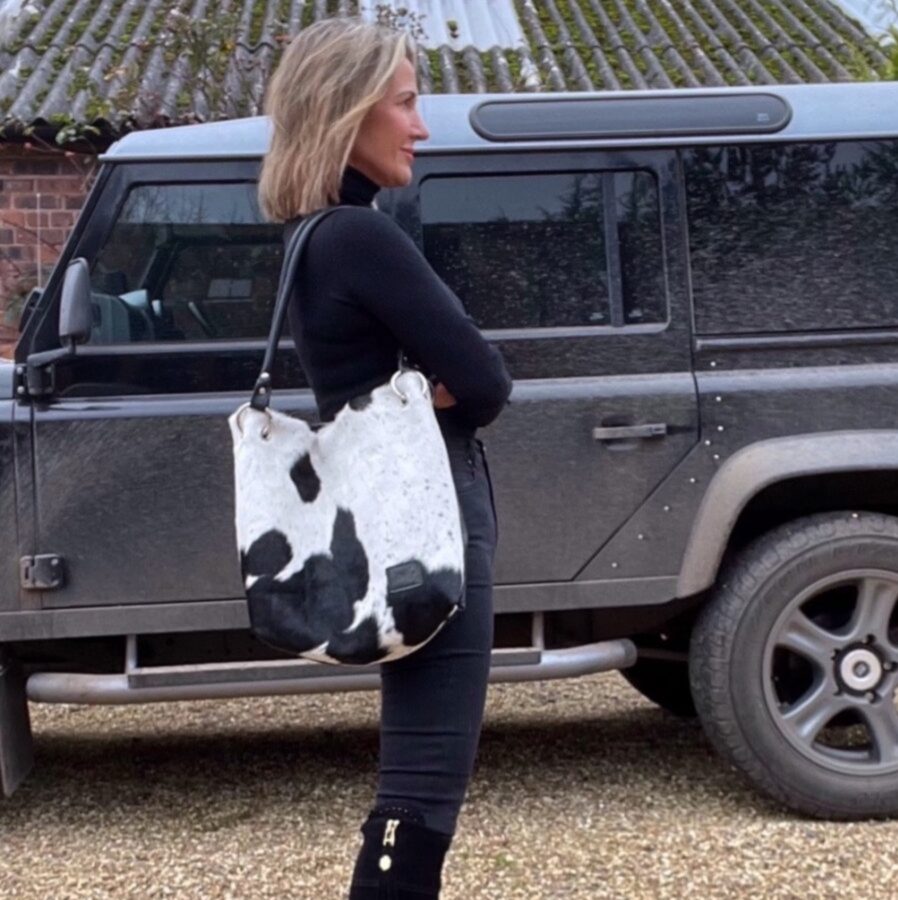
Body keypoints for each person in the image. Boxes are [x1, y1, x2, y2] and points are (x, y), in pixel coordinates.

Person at [257, 17, 513, 900]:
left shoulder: (308, 238)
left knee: (417, 782)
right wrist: (437, 387)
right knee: (422, 793)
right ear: (347, 109)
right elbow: (484, 382)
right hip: (429, 526)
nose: (422, 126)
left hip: (388, 525)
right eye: (406, 102)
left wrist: (428, 381)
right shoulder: (359, 237)